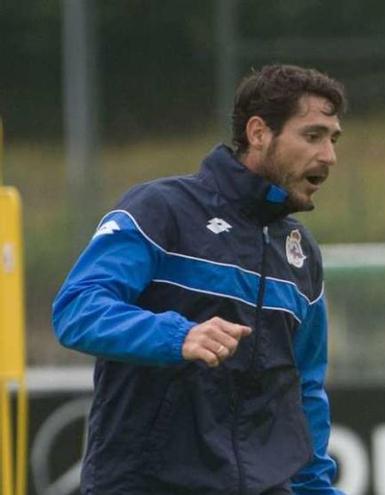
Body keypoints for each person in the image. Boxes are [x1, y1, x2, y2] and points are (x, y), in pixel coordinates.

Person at [53, 64, 346, 494]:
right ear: (259, 132)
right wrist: (177, 336)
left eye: (333, 139)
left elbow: (304, 390)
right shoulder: (160, 210)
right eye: (313, 136)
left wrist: (316, 489)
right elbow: (77, 309)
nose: (329, 156)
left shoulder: (300, 253)